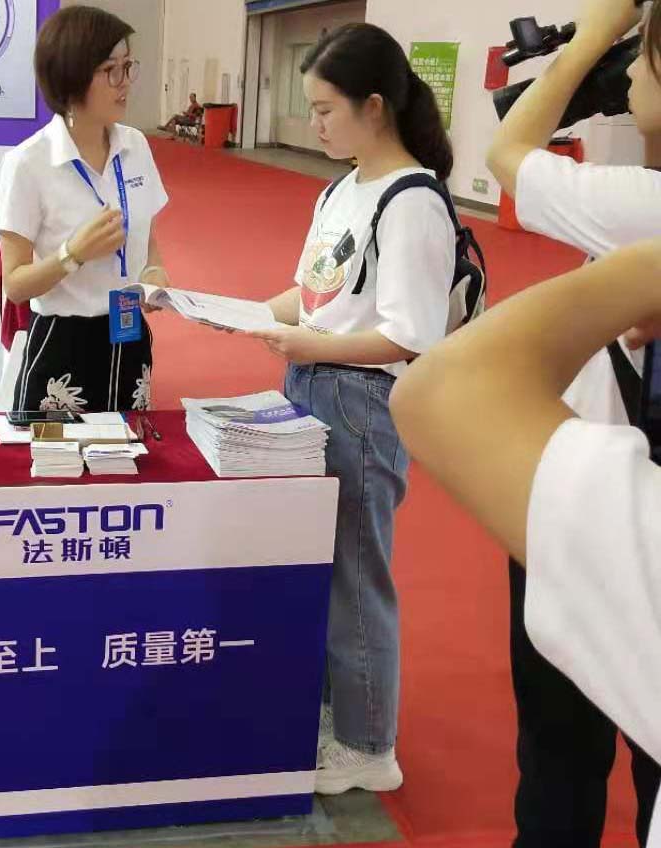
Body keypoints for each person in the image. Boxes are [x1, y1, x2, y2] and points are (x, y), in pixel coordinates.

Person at [389, 239, 661, 848]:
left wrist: (643, 270)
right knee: (556, 746)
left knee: (590, 749)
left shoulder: (632, 229)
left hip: (600, 502)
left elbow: (443, 392)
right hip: (567, 486)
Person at [246, 23, 457, 794]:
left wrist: (309, 343)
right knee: (321, 563)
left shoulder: (413, 201)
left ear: (375, 107)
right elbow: (313, 294)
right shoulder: (342, 189)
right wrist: (232, 311)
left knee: (356, 572)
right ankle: (341, 711)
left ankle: (371, 746)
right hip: (311, 383)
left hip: (360, 401)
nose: (314, 125)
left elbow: (410, 335)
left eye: (325, 109)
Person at [485, 0, 661, 841]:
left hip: (600, 513)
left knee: (562, 748)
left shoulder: (645, 206)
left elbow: (507, 152)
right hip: (611, 494)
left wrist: (592, 35)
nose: (628, 68)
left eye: (643, 51)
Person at [0, 5, 170, 413]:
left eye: (128, 67)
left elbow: (148, 240)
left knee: (130, 448)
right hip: (62, 343)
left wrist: (154, 273)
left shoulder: (136, 146)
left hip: (129, 336)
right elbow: (15, 285)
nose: (125, 83)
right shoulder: (28, 163)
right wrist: (72, 254)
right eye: (111, 70)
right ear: (72, 77)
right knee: (57, 454)